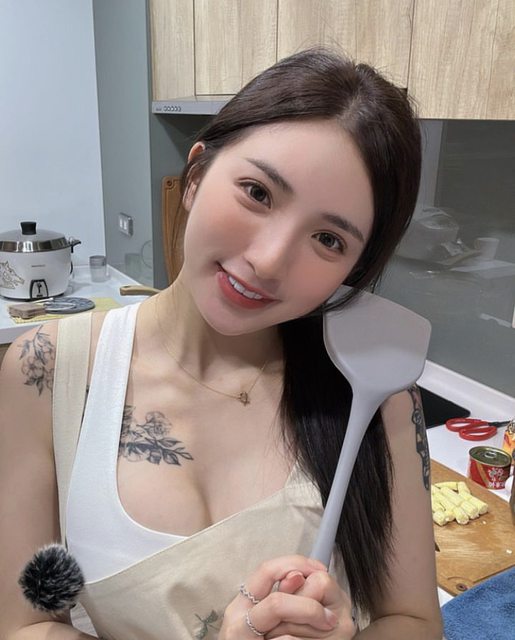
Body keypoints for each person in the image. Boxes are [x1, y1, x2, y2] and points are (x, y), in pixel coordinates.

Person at [0, 48, 443, 639]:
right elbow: (25, 624)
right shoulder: (47, 371)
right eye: (258, 193)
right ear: (196, 177)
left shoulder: (377, 393)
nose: (269, 260)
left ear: (353, 269)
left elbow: (414, 622)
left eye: (328, 240)